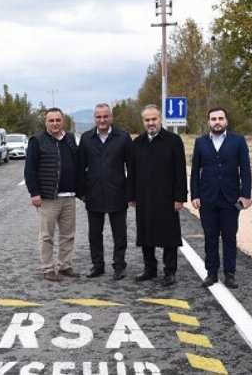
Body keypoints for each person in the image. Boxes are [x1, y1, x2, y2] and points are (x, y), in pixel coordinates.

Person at [191, 107, 252, 289]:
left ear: (226, 121)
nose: (217, 122)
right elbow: (195, 171)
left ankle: (230, 274)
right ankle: (211, 273)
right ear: (208, 122)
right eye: (213, 119)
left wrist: (246, 195)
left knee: (229, 237)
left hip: (230, 198)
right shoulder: (200, 142)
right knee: (210, 237)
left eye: (220, 118)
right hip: (207, 198)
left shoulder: (238, 141)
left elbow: (245, 170)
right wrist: (194, 195)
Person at [128, 105, 187, 287]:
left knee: (169, 236)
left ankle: (170, 272)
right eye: (147, 120)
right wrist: (131, 196)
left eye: (154, 119)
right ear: (143, 122)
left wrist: (180, 197)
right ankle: (150, 269)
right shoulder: (137, 143)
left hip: (167, 198)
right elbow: (132, 172)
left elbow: (180, 172)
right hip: (144, 197)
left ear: (160, 119)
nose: (151, 123)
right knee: (146, 234)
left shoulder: (174, 141)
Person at [24, 108, 82, 281]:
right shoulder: (37, 141)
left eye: (58, 120)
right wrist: (34, 193)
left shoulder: (70, 138)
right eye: (51, 120)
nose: (55, 123)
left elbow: (77, 164)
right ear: (46, 122)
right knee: (47, 235)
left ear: (63, 121)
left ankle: (65, 266)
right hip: (48, 197)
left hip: (69, 196)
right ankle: (48, 268)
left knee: (68, 234)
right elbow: (29, 170)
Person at [78, 103, 133, 280]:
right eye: (98, 117)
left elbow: (132, 167)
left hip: (118, 193)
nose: (102, 120)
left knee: (120, 234)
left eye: (105, 116)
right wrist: (83, 193)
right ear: (94, 118)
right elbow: (80, 168)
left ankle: (119, 266)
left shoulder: (123, 137)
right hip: (93, 195)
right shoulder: (86, 138)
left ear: (111, 117)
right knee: (94, 234)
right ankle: (97, 266)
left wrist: (130, 193)